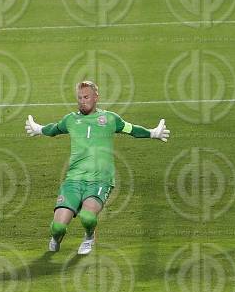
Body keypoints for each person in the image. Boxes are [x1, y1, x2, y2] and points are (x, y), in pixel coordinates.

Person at [24, 81, 170, 254]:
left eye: (86, 97)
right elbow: (54, 129)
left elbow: (132, 129)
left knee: (87, 217)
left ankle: (89, 237)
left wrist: (153, 133)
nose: (82, 101)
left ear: (95, 97)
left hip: (100, 180)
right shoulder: (71, 119)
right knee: (57, 228)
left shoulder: (110, 119)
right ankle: (56, 238)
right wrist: (38, 129)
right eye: (79, 98)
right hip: (74, 179)